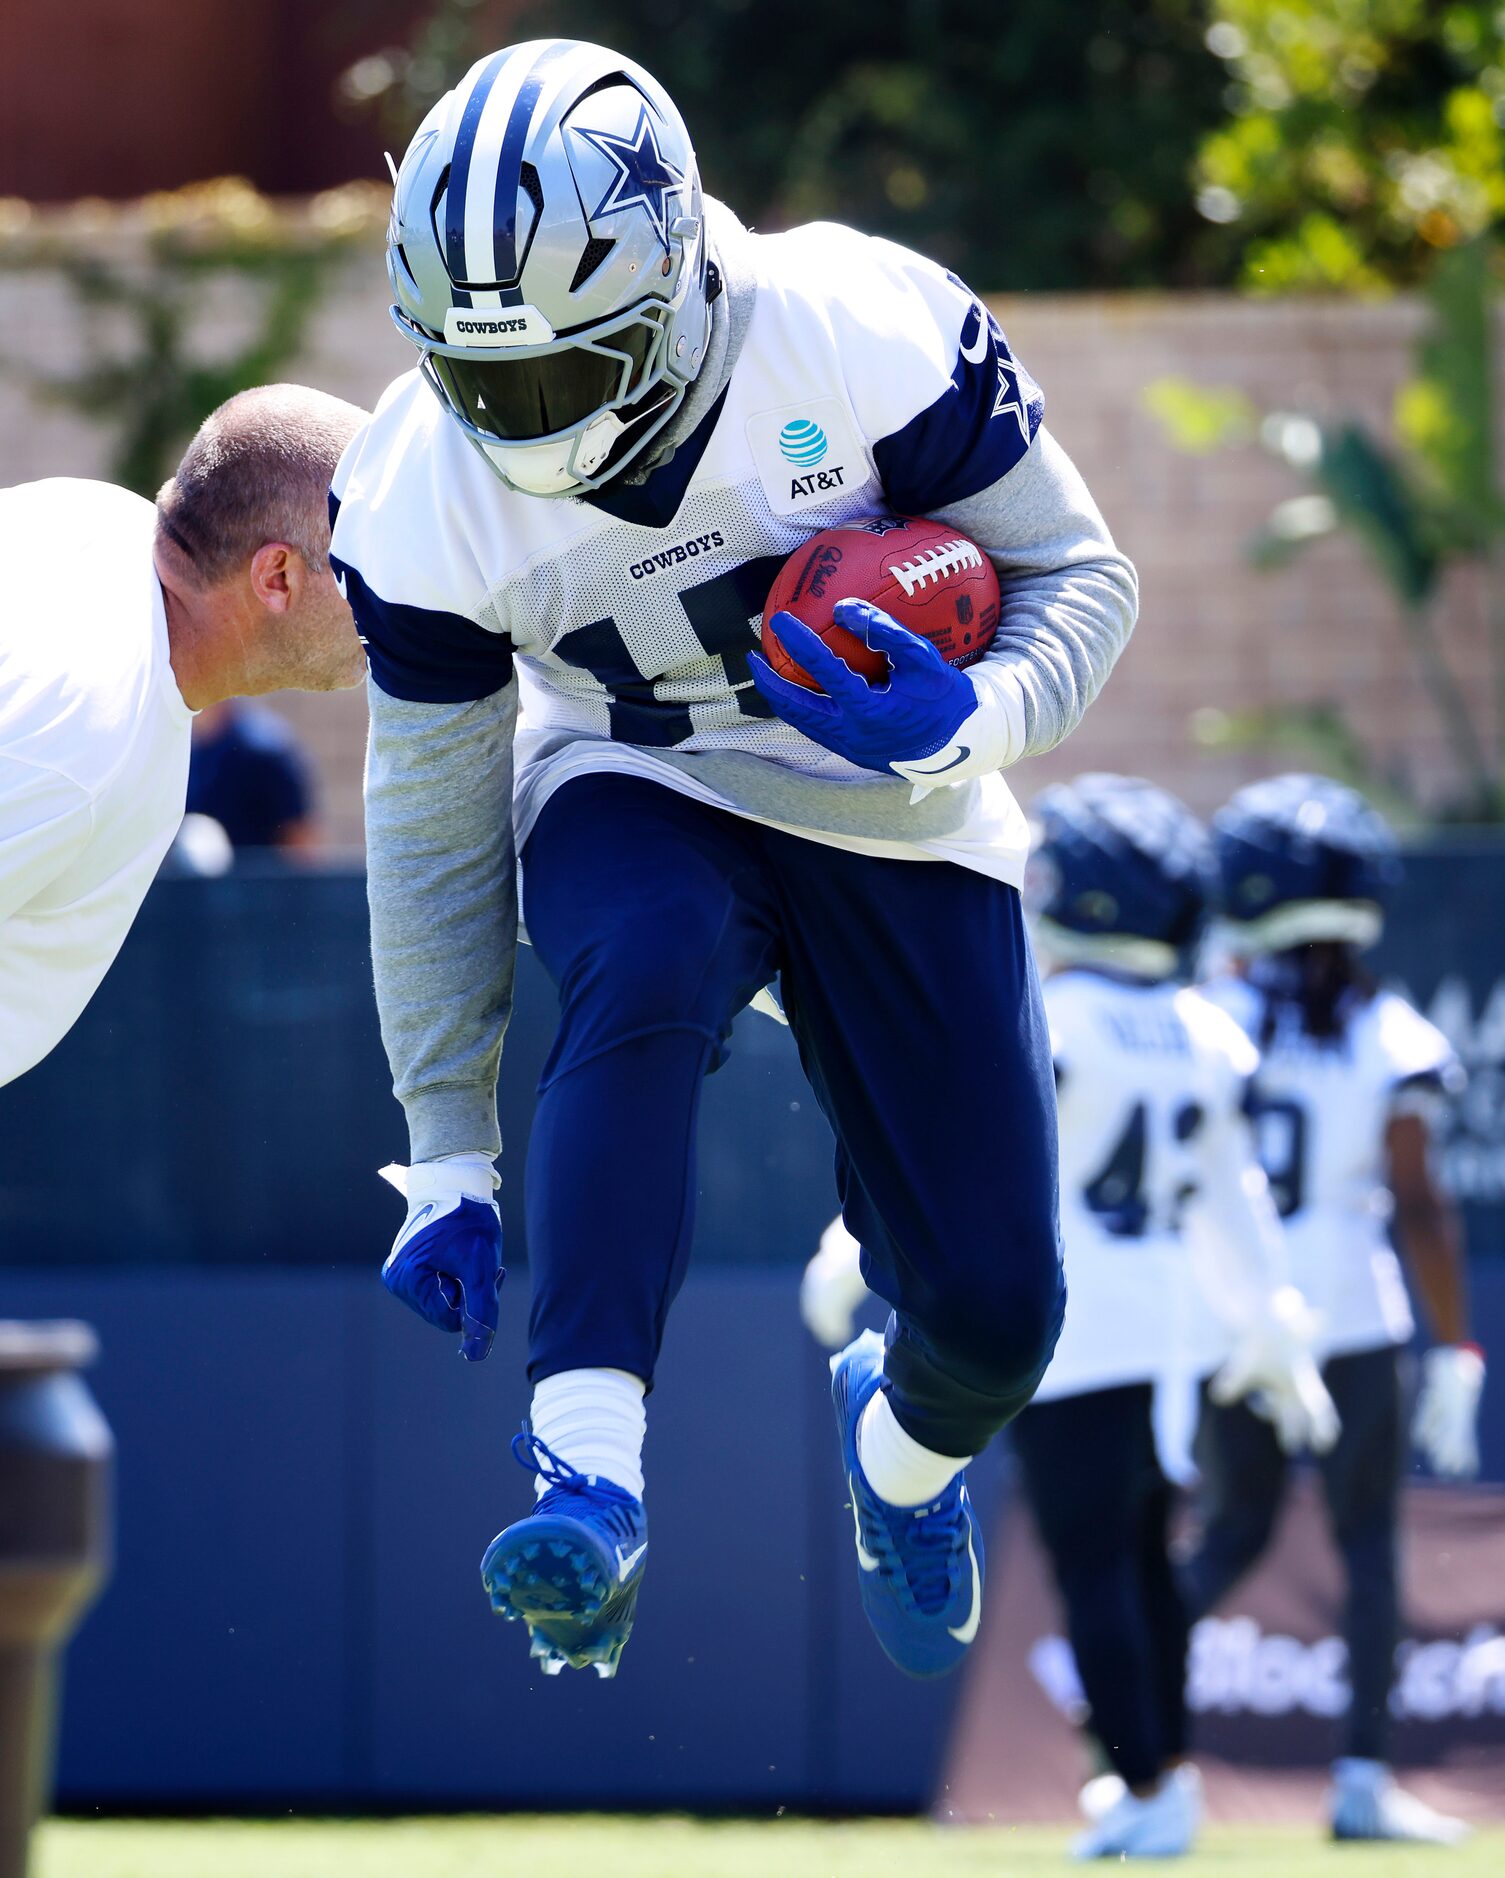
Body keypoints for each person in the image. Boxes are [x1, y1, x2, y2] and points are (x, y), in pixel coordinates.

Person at [330, 37, 1138, 1681]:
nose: (524, 423)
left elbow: (1084, 575)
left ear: (677, 282)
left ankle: (900, 1453)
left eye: (570, 369)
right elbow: (428, 833)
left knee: (996, 1315)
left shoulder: (857, 327)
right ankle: (590, 1473)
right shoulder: (419, 488)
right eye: (487, 380)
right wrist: (445, 1147)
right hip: (638, 766)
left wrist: (968, 715)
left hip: (901, 798)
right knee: (643, 957)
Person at [801, 774, 1339, 1859]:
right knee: (1142, 1562)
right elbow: (1232, 1205)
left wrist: (848, 1247)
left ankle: (1143, 1787)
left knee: (1096, 1568)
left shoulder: (1057, 1020)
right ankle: (1163, 1776)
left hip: (1068, 1331)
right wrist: (1270, 1324)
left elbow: (961, 1154)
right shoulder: (1201, 1028)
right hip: (1168, 1335)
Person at [1182, 773, 1485, 1846]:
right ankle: (1359, 1782)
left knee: (1225, 1539)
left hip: (1236, 1319)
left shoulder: (1206, 1016)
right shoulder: (1384, 1030)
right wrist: (1453, 1344)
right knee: (1367, 1547)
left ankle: (1128, 1759)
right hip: (1354, 1323)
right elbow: (1416, 1202)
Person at [0, 384, 368, 1086]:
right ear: (277, 576)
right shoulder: (83, 741)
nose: (397, 599)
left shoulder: (95, 518)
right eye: (368, 569)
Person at [186, 699, 318, 854]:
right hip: (191, 874)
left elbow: (300, 840)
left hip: (260, 875)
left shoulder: (266, 747)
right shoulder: (190, 745)